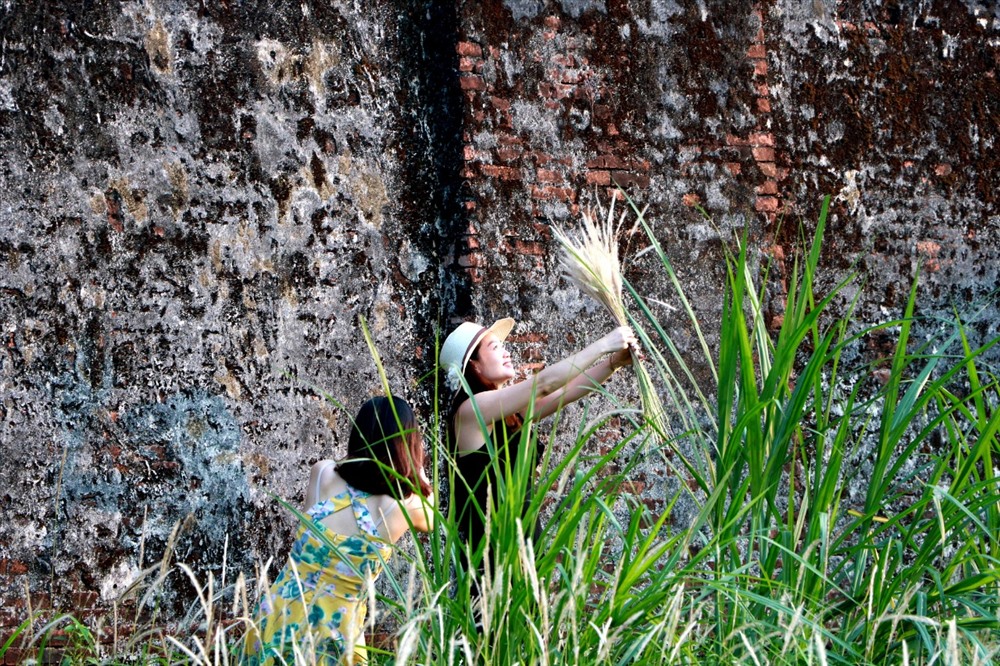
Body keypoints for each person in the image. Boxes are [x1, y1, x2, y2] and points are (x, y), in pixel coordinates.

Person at [244, 396, 435, 666]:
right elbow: (434, 518)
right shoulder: (403, 507)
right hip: (334, 635)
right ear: (408, 444)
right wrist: (417, 467)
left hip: (277, 616)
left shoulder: (323, 473)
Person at [440, 317, 635, 568]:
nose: (506, 351)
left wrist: (614, 362)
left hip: (528, 546)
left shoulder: (510, 415)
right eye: (494, 347)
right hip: (495, 559)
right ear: (474, 366)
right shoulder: (470, 411)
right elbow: (543, 384)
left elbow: (566, 392)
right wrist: (604, 344)